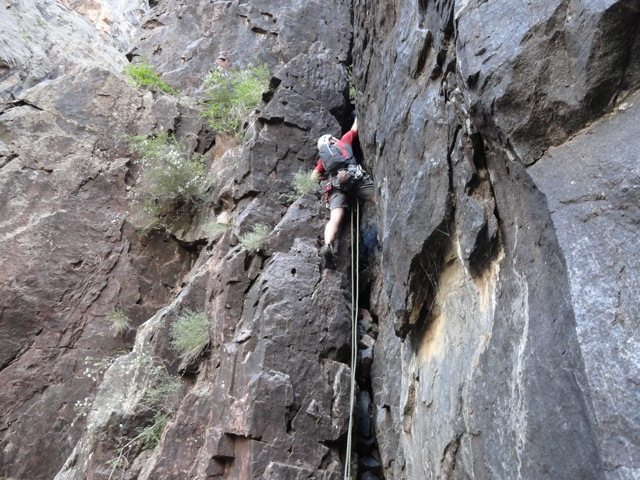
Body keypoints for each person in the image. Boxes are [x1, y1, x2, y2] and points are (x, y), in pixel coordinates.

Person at [311, 117, 374, 266]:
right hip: (354, 178)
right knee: (376, 198)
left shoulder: (323, 160)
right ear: (332, 140)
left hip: (336, 185)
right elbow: (355, 128)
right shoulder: (343, 142)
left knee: (335, 218)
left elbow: (313, 177)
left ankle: (327, 245)